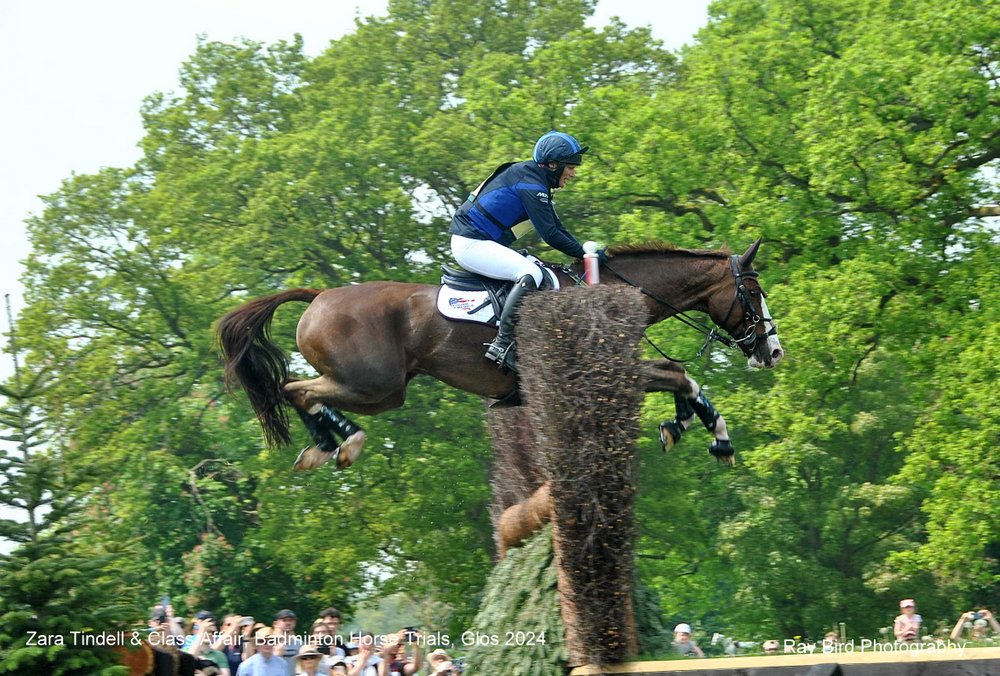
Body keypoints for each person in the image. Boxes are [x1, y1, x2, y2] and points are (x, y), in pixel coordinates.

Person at [449, 130, 602, 371]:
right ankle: (502, 344)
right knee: (531, 274)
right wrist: (584, 255)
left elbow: (557, 227)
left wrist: (583, 251)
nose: (573, 173)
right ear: (552, 165)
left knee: (540, 269)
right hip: (470, 244)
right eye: (570, 167)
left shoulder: (533, 179)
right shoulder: (531, 184)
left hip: (479, 242)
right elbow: (550, 235)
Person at [272, 609, 303, 675]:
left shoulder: (299, 643)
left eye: (291, 620)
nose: (288, 623)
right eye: (284, 620)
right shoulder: (269, 642)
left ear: (295, 623)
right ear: (276, 623)